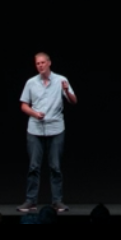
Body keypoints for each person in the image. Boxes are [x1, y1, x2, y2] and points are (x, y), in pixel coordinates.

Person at [17, 52, 78, 214]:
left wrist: (67, 91)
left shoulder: (61, 80)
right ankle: (31, 201)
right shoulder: (31, 82)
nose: (40, 66)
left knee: (55, 167)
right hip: (35, 129)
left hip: (56, 129)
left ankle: (57, 201)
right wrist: (34, 113)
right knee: (33, 167)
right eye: (38, 63)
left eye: (43, 62)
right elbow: (24, 105)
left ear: (49, 63)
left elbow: (73, 101)